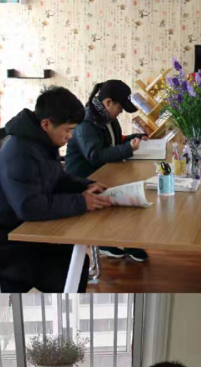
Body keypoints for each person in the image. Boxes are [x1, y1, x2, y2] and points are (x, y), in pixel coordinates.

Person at [0, 86, 112, 292]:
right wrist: (81, 201)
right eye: (68, 130)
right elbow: (30, 207)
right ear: (46, 124)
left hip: (18, 232)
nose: (70, 136)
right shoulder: (19, 154)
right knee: (69, 267)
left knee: (73, 260)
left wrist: (85, 185)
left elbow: (57, 178)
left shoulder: (42, 143)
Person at [65, 80, 149, 263]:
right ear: (108, 102)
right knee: (128, 194)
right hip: (85, 178)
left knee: (133, 189)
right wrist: (128, 149)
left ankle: (128, 241)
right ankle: (106, 240)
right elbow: (95, 155)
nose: (121, 112)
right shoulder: (86, 122)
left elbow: (115, 141)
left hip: (105, 171)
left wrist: (135, 138)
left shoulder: (108, 119)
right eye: (120, 107)